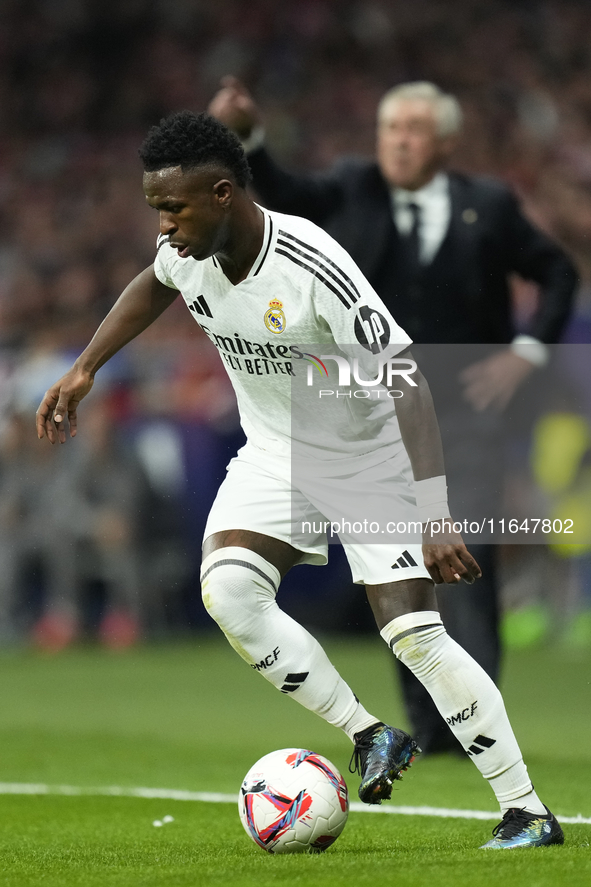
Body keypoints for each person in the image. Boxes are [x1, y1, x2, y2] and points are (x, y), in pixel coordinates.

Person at [36, 110, 563, 849]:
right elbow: (151, 284)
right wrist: (86, 366)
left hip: (371, 455)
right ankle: (372, 731)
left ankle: (527, 810)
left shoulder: (309, 262)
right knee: (227, 590)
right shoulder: (184, 249)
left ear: (223, 193)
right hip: (278, 449)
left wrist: (434, 512)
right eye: (155, 206)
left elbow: (407, 379)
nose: (162, 224)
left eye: (173, 206)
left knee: (413, 633)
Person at [208, 78, 579, 755]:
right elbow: (281, 193)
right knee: (395, 572)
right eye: (389, 128)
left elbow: (556, 271)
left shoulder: (487, 206)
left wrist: (526, 351)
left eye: (412, 129)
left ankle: (467, 730)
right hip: (364, 421)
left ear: (443, 142)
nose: (398, 140)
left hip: (462, 419)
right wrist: (249, 138)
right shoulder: (352, 187)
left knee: (461, 559)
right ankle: (428, 728)